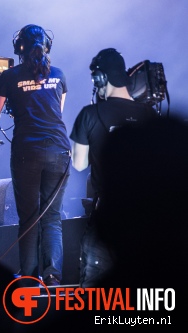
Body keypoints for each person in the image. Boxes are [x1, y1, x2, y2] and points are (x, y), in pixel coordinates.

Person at [0, 24, 71, 286]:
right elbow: (57, 113)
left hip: (26, 153)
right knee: (52, 218)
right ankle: (52, 278)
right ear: (47, 46)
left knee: (29, 218)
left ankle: (30, 279)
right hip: (59, 151)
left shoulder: (9, 77)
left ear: (19, 48)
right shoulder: (60, 75)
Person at [69, 48, 157, 287]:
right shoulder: (150, 114)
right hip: (149, 219)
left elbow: (79, 165)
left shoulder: (89, 114)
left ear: (100, 77)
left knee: (97, 295)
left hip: (108, 216)